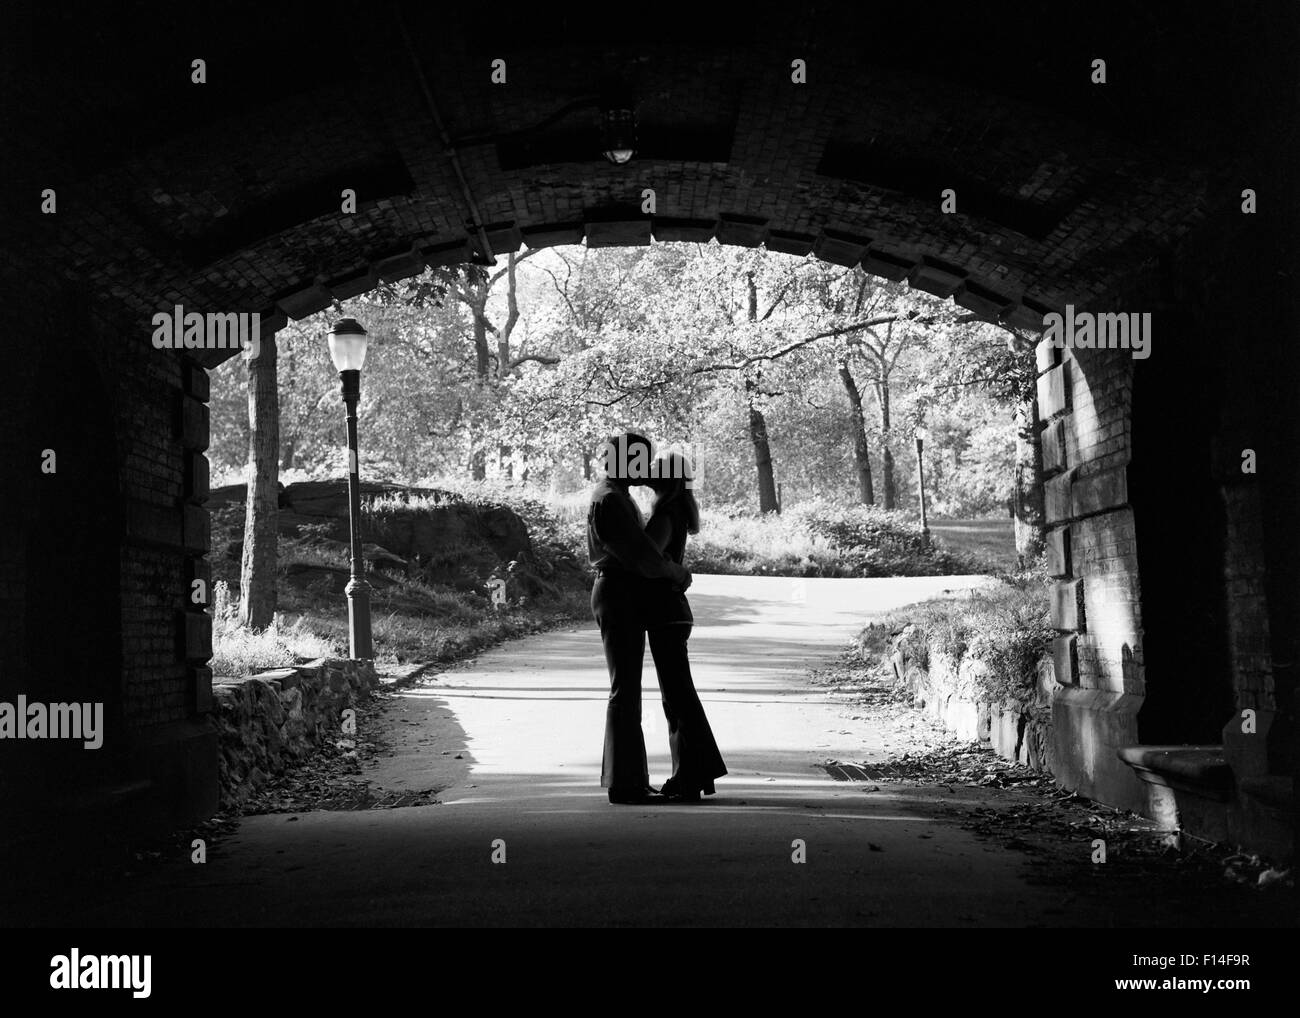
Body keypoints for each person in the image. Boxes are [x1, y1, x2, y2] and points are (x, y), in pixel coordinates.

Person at [587, 433, 691, 805]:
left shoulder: (616, 496)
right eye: (641, 460)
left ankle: (630, 778)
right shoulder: (612, 500)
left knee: (627, 689)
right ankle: (625, 783)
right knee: (625, 690)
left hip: (619, 592)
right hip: (617, 593)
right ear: (626, 460)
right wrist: (677, 574)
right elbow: (644, 558)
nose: (646, 469)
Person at [644, 453, 727, 802]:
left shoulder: (665, 515)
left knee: (677, 700)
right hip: (673, 611)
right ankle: (693, 773)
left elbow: (648, 559)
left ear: (667, 480)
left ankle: (689, 776)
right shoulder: (677, 511)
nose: (646, 476)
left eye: (654, 473)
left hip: (665, 611)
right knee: (679, 697)